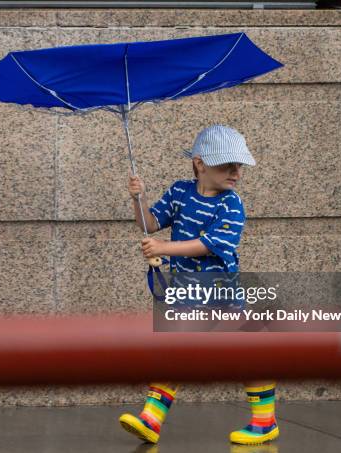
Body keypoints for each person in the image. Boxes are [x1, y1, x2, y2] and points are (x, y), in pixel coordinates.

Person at [118, 125, 279, 446]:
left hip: (220, 294)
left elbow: (210, 244)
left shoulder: (231, 205)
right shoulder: (180, 192)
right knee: (174, 351)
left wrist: (163, 248)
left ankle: (265, 421)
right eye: (226, 165)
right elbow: (149, 223)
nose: (235, 172)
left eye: (239, 166)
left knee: (246, 356)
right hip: (185, 293)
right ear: (199, 163)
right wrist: (139, 198)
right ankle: (151, 418)